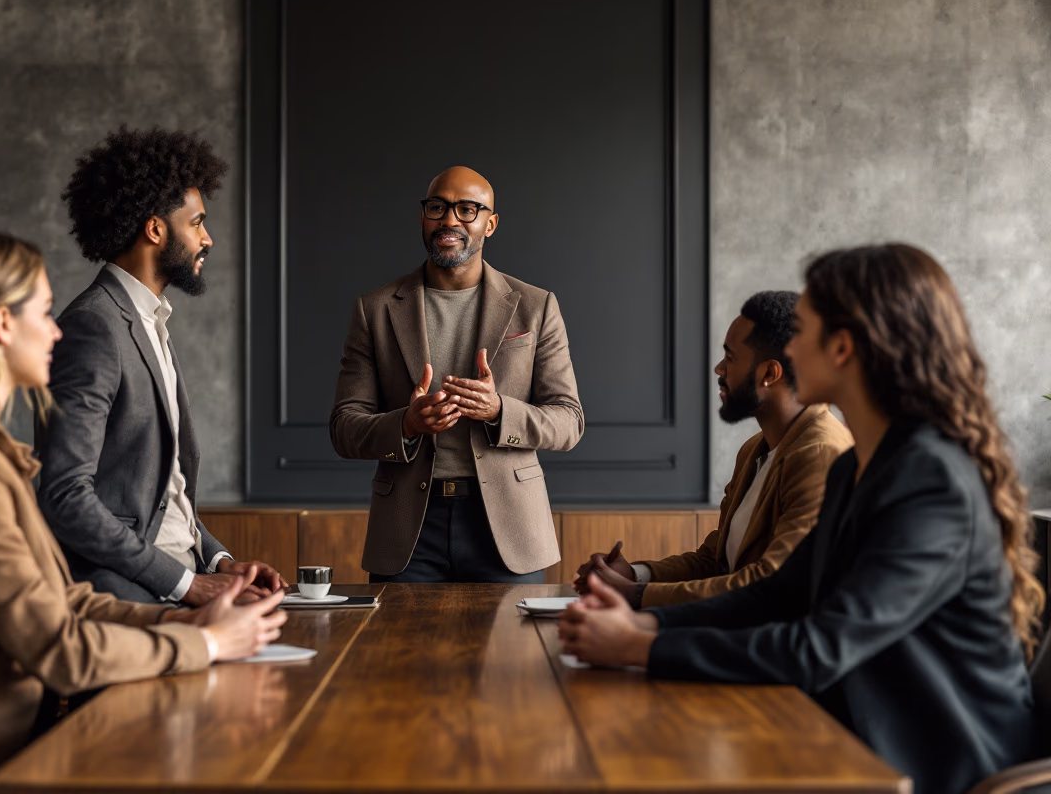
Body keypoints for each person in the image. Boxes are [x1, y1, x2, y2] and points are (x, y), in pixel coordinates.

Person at [559, 244, 1042, 794]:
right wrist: (646, 623)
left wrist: (638, 646)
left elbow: (821, 648)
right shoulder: (858, 468)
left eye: (802, 331)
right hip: (850, 734)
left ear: (844, 348)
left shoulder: (930, 481)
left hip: (938, 763)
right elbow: (777, 596)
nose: (790, 350)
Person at [0, 229, 287, 790]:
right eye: (47, 311)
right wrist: (206, 643)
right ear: (0, 325)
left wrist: (188, 621)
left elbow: (67, 602)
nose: (58, 329)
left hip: (24, 750)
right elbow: (58, 650)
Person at [37, 126, 286, 605]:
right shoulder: (95, 326)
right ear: (155, 229)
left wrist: (219, 563)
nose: (207, 238)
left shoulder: (150, 322)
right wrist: (188, 585)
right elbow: (65, 494)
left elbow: (160, 490)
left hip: (177, 581)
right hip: (129, 595)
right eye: (196, 223)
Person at [331, 166, 583, 583]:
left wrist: (499, 410)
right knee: (394, 650)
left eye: (468, 209)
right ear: (423, 216)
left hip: (508, 530)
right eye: (438, 207)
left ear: (490, 223)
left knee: (512, 650)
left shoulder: (537, 307)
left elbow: (569, 420)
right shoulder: (374, 310)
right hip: (408, 533)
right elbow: (343, 428)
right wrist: (406, 424)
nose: (450, 220)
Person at [574, 291, 852, 607]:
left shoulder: (821, 455)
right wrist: (635, 575)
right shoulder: (753, 451)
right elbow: (715, 562)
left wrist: (636, 596)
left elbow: (772, 583)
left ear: (769, 374)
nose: (719, 369)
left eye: (731, 357)